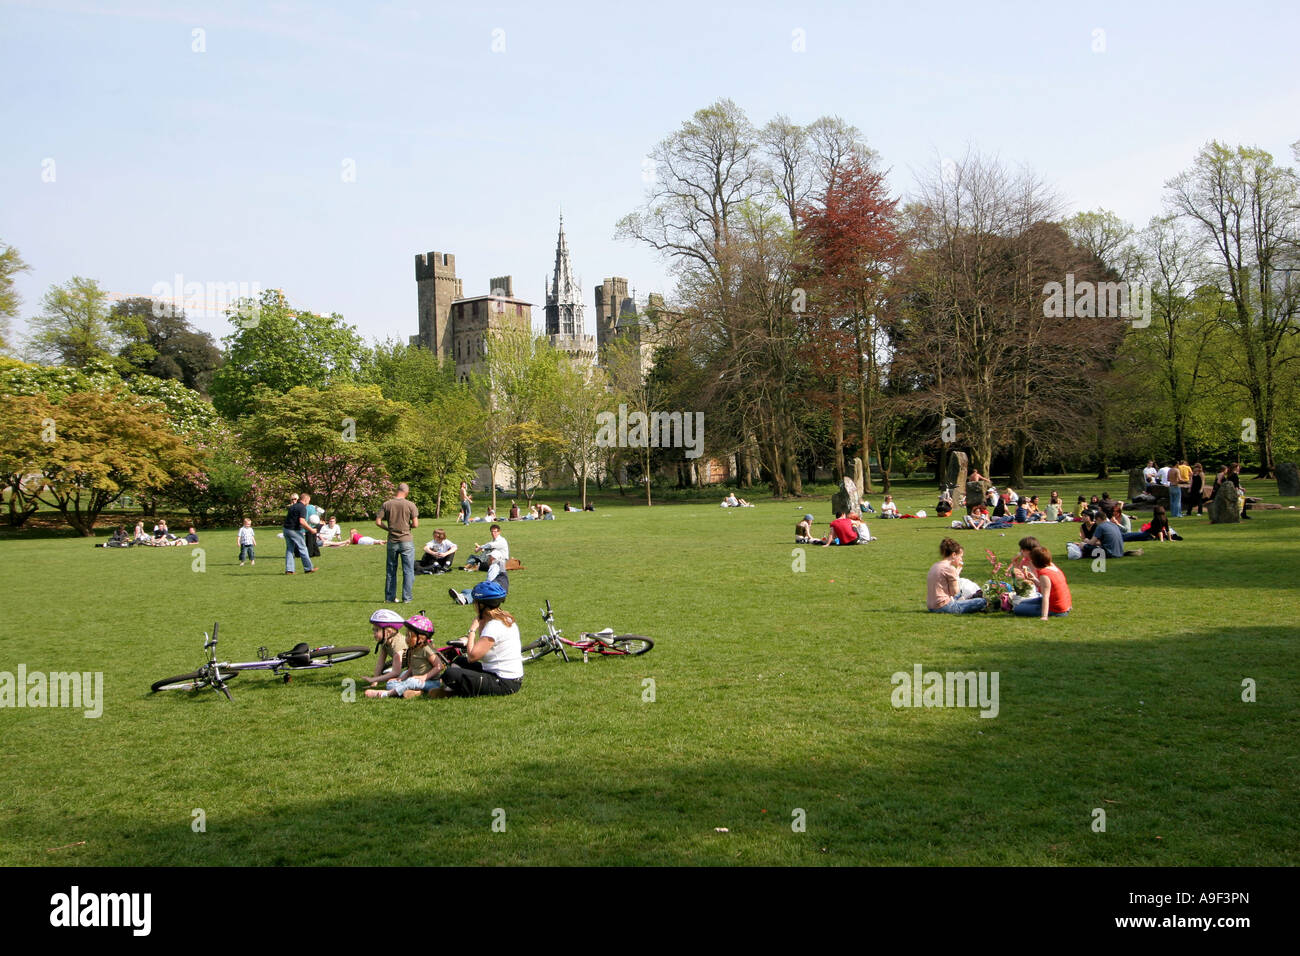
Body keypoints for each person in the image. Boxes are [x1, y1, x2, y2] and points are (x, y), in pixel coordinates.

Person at [428, 581, 523, 698]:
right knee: (459, 661)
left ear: (482, 605)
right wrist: (482, 621)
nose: (474, 605)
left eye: (475, 602)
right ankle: (449, 688)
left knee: (450, 674)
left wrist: (472, 630)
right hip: (507, 677)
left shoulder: (494, 626)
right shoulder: (505, 619)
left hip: (504, 682)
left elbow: (472, 657)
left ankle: (449, 691)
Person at [365, 612, 443, 699]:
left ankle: (386, 694)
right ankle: (416, 692)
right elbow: (411, 667)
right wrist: (402, 678)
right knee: (390, 683)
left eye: (409, 636)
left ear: (421, 638)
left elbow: (439, 666)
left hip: (431, 681)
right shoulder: (412, 649)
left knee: (411, 681)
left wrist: (424, 677)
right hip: (416, 678)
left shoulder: (426, 649)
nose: (406, 639)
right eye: (406, 635)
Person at [377, 482, 419, 604]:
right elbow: (416, 524)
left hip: (392, 541)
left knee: (391, 570)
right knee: (408, 570)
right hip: (406, 540)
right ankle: (407, 598)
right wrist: (408, 526)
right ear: (407, 492)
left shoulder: (387, 504)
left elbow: (378, 521)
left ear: (397, 490)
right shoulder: (410, 505)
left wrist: (388, 529)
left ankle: (389, 598)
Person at [927, 539, 987, 614]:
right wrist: (955, 575)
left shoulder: (935, 565)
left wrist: (956, 573)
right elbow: (954, 592)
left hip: (931, 606)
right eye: (960, 556)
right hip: (944, 607)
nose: (961, 559)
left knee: (961, 594)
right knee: (982, 601)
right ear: (954, 555)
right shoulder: (950, 568)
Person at [1013, 546, 1072, 619]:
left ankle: (1046, 612)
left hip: (1057, 609)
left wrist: (1044, 616)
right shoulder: (1053, 568)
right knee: (1021, 603)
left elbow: (1045, 597)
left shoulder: (1044, 574)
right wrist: (1034, 579)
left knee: (1017, 609)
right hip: (1063, 605)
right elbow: (1046, 587)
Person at [361, 608, 407, 690]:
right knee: (384, 671)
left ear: (388, 632)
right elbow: (380, 662)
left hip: (410, 666)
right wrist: (374, 683)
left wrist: (373, 679)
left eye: (377, 630)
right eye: (373, 630)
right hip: (401, 664)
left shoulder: (397, 644)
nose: (374, 633)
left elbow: (396, 672)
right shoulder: (385, 641)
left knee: (390, 682)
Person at [282, 494, 316, 574]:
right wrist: (311, 530)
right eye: (309, 500)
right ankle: (308, 568)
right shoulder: (302, 508)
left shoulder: (293, 506)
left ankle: (289, 570)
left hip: (286, 529)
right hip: (294, 530)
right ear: (306, 500)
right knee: (302, 548)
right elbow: (302, 521)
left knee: (290, 549)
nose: (308, 502)